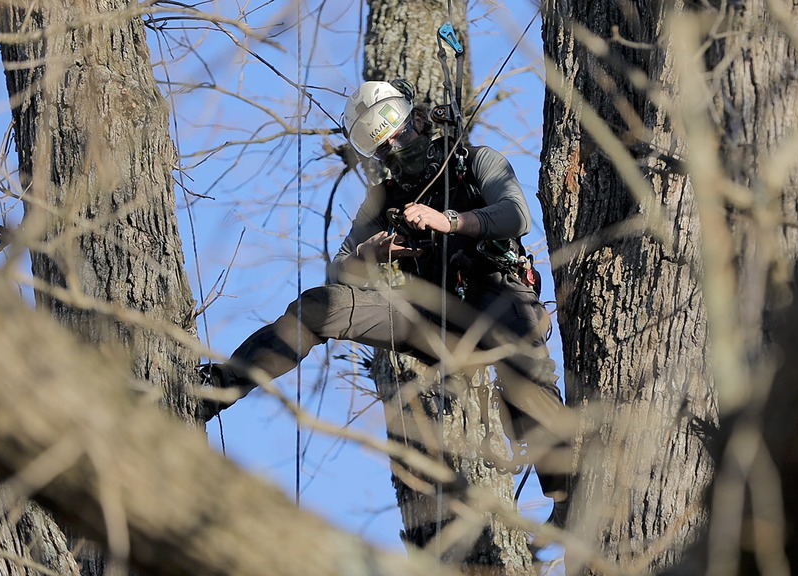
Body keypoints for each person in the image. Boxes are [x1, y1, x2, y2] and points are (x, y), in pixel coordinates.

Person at [201, 80, 572, 526]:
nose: (393, 148)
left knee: (522, 365)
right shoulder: (383, 202)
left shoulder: (474, 162)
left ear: (418, 120)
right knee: (319, 306)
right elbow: (338, 270)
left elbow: (516, 213)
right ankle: (216, 387)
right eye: (380, 146)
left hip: (497, 295)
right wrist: (367, 256)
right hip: (433, 320)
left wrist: (449, 221)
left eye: (397, 134)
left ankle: (568, 491)